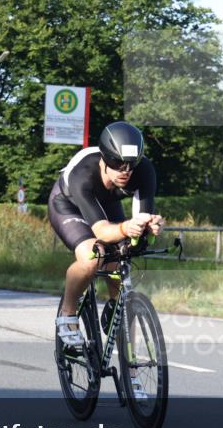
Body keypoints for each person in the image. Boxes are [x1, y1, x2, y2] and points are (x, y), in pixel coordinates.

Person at [48, 122, 163, 395]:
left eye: (131, 165)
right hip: (69, 205)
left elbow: (141, 222)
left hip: (107, 203)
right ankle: (67, 315)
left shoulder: (143, 170)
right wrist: (125, 229)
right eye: (119, 165)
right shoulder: (83, 173)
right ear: (105, 158)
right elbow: (100, 230)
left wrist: (151, 228)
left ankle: (130, 369)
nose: (126, 172)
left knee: (121, 264)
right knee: (93, 255)